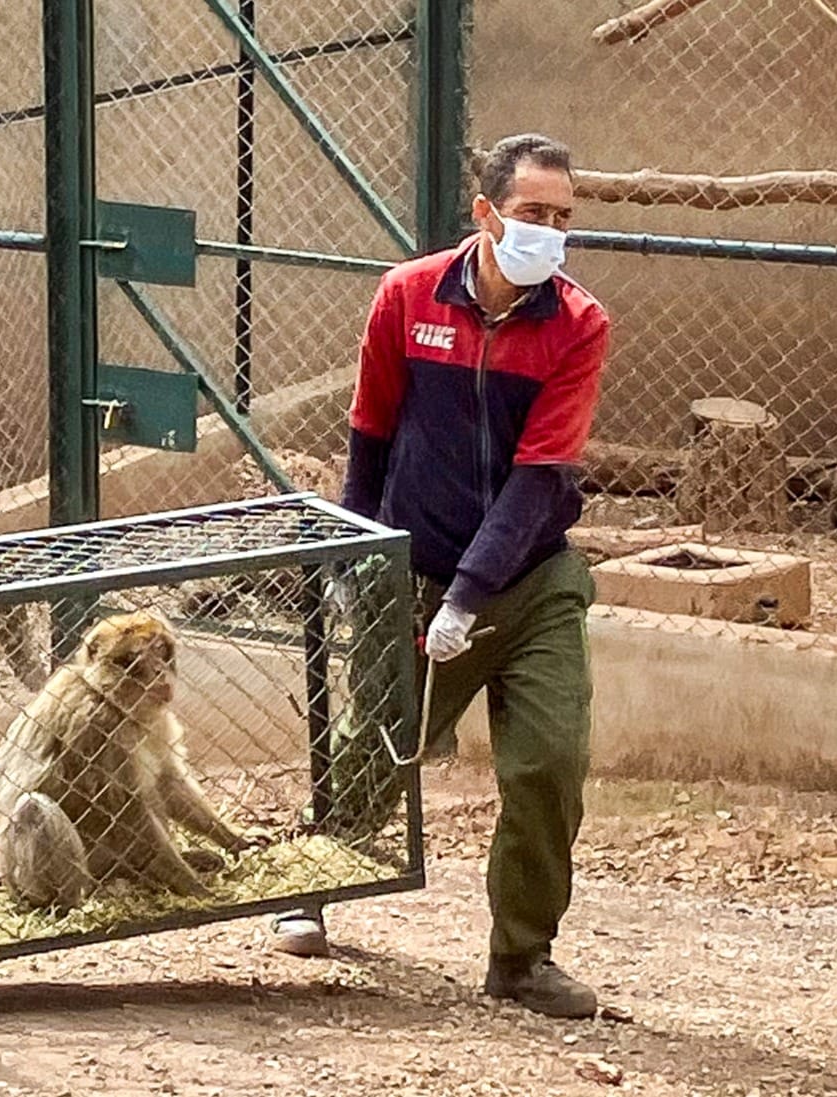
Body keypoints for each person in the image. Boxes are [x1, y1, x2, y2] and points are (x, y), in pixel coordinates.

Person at [270, 133, 611, 1021]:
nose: (549, 232)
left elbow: (540, 477)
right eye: (533, 213)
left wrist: (470, 595)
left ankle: (522, 957)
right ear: (487, 213)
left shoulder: (578, 324)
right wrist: (355, 549)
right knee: (378, 745)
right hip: (416, 569)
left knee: (549, 763)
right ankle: (314, 883)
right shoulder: (408, 295)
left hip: (531, 581)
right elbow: (370, 431)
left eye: (563, 218)